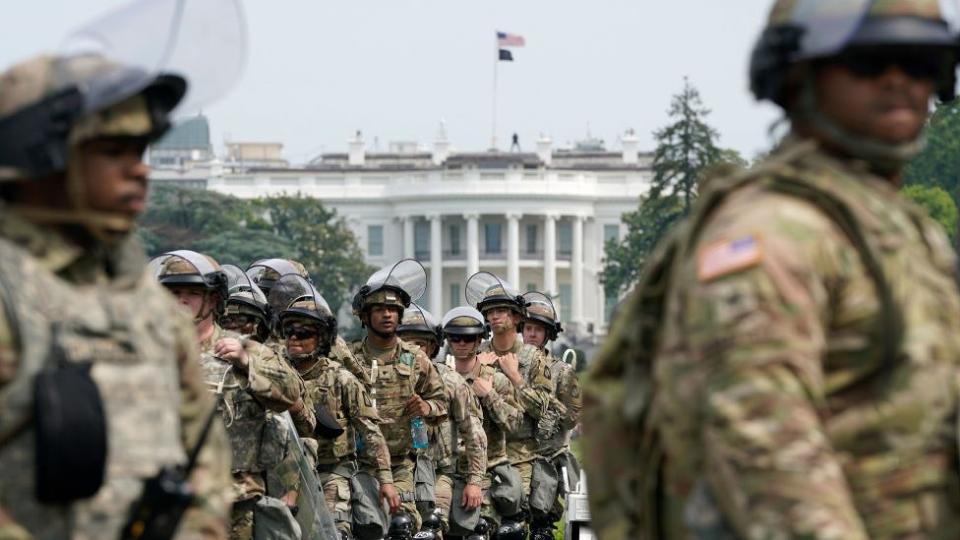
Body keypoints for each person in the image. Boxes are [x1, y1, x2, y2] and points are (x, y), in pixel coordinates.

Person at [583, 1, 960, 539]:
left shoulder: (898, 230)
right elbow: (762, 440)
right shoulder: (774, 231)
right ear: (798, 76)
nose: (900, 81)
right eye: (870, 61)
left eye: (923, 62)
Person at [0, 20, 238, 538]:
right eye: (114, 151)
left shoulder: (145, 308)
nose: (141, 171)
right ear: (44, 158)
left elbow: (202, 458)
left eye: (141, 150)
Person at [155, 250, 307, 539]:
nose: (181, 301)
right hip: (166, 498)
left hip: (233, 502)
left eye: (192, 293)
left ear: (213, 300)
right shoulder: (148, 352)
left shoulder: (242, 349)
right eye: (173, 292)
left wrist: (248, 363)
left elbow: (291, 393)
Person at [270, 273, 395, 540]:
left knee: (334, 531)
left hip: (332, 470)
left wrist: (386, 481)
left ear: (322, 339)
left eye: (303, 333)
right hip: (282, 472)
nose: (294, 338)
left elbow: (370, 432)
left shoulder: (342, 379)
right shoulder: (273, 374)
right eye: (289, 331)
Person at [350, 259, 449, 534]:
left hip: (401, 465)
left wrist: (426, 407)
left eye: (393, 309)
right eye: (379, 309)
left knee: (400, 525)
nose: (387, 315)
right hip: (358, 466)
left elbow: (442, 403)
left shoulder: (415, 358)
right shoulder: (350, 359)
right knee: (362, 526)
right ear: (365, 316)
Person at [465, 272, 562, 536]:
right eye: (490, 311)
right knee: (478, 528)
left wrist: (516, 377)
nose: (495, 316)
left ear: (517, 317)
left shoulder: (533, 358)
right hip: (483, 456)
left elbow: (546, 411)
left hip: (521, 457)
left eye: (502, 311)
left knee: (513, 530)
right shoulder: (477, 353)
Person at [398, 303, 487, 537]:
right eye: (406, 343)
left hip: (439, 474)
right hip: (397, 472)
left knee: (431, 528)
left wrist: (475, 481)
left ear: (432, 347)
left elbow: (474, 434)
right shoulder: (383, 381)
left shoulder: (451, 382)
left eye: (420, 344)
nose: (413, 350)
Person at [444, 306, 526, 538]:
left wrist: (490, 396)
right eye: (455, 338)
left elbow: (516, 425)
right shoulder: (440, 380)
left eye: (468, 338)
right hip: (448, 471)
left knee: (481, 532)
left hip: (489, 471)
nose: (461, 343)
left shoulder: (495, 380)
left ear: (479, 339)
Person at [520, 292, 582, 540]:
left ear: (548, 334)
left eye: (538, 329)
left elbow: (573, 417)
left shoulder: (562, 371)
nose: (532, 334)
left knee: (543, 531)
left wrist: (549, 407)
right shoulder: (508, 366)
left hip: (549, 457)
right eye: (528, 328)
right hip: (512, 454)